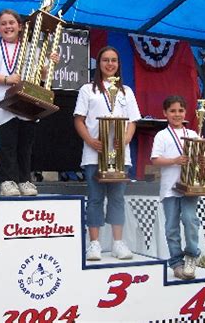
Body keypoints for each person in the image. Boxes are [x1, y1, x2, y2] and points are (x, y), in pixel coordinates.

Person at [0, 8, 58, 197]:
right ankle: (7, 181)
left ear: (20, 26)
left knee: (25, 146)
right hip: (6, 105)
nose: (8, 26)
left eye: (11, 23)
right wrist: (7, 79)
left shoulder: (32, 48)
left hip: (28, 104)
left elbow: (43, 73)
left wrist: (51, 61)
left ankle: (25, 180)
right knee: (8, 145)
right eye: (4, 24)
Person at [74, 46, 141, 261]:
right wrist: (91, 141)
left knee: (117, 198)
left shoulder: (126, 91)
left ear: (118, 64)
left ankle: (117, 244)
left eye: (114, 60)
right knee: (94, 199)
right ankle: (94, 244)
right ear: (99, 63)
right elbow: (79, 120)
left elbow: (132, 121)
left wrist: (126, 139)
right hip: (95, 154)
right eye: (105, 60)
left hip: (120, 156)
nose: (110, 64)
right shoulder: (87, 89)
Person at [150, 95, 200, 280]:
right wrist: (174, 161)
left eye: (180, 110)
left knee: (190, 220)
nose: (177, 114)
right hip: (170, 188)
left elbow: (199, 159)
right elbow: (155, 159)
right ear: (165, 113)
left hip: (189, 188)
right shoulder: (162, 135)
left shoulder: (193, 134)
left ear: (186, 113)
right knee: (171, 227)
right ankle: (176, 263)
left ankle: (192, 256)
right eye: (172, 111)